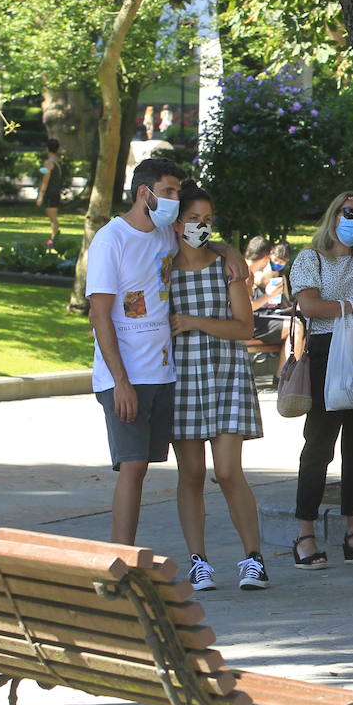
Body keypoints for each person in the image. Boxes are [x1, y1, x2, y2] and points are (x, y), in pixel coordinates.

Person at [86, 159, 245, 545]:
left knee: (149, 467)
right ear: (146, 192)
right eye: (170, 191)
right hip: (125, 377)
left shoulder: (162, 234)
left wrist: (229, 252)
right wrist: (120, 382)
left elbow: (197, 238)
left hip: (163, 374)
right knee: (133, 466)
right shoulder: (111, 239)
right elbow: (99, 315)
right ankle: (120, 560)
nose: (175, 199)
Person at [167, 185, 268, 592]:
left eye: (208, 219)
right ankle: (199, 561)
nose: (202, 226)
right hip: (181, 378)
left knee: (228, 471)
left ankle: (253, 558)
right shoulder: (162, 267)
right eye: (193, 219)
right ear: (176, 223)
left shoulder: (227, 267)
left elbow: (244, 327)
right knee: (190, 473)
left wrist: (193, 321)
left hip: (226, 373)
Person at [288, 191, 353, 570]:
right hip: (325, 354)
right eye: (350, 211)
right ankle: (305, 532)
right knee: (319, 446)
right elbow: (310, 306)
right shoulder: (311, 259)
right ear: (334, 213)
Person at [35, 138, 64, 246]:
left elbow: (45, 180)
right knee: (53, 218)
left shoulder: (48, 163)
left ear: (47, 149)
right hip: (56, 193)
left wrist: (40, 196)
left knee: (53, 218)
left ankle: (53, 239)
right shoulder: (57, 162)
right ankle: (54, 237)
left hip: (50, 194)